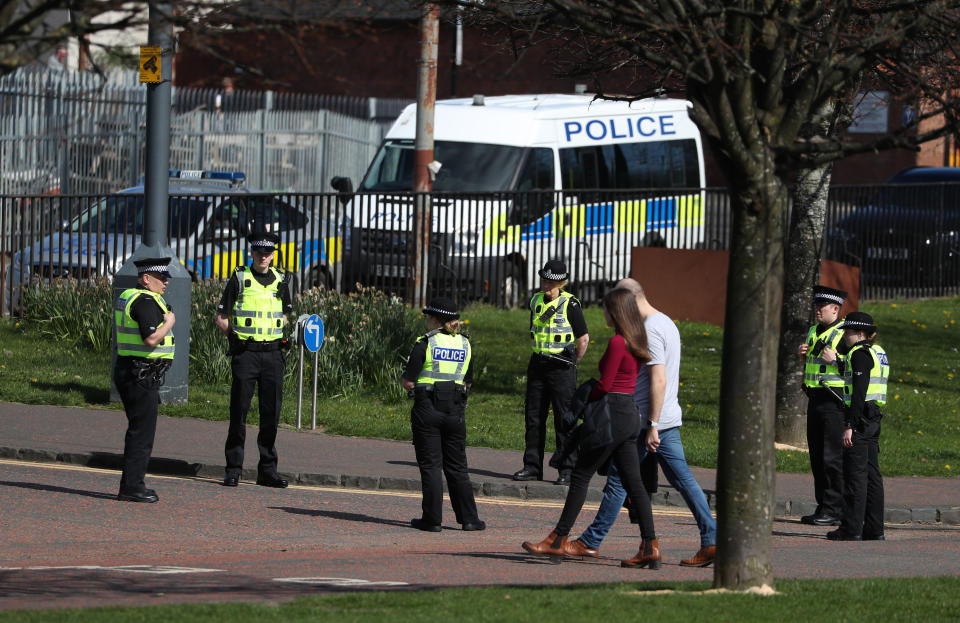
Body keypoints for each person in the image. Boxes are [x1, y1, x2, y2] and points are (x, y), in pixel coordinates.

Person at [565, 278, 717, 567]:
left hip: (649, 420)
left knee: (620, 481)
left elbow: (658, 379)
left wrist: (652, 424)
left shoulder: (650, 329)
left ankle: (590, 541)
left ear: (632, 301)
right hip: (664, 417)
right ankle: (710, 538)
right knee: (682, 480)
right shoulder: (666, 322)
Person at [522, 288, 660, 568]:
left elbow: (605, 385)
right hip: (630, 415)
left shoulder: (618, 343)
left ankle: (557, 540)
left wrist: (585, 397)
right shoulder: (637, 340)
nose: (603, 314)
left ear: (616, 313)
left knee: (581, 475)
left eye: (606, 309)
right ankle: (650, 545)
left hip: (612, 414)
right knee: (635, 482)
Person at [401, 297, 485, 532]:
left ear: (436, 320)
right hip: (455, 410)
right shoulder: (465, 344)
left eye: (429, 317)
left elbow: (408, 382)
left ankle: (432, 519)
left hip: (427, 408)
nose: (427, 320)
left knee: (431, 466)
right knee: (458, 467)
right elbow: (468, 382)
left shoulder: (425, 343)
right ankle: (469, 519)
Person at [216, 232, 293, 488]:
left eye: (268, 252)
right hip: (246, 354)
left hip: (272, 355)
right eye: (259, 251)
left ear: (273, 254)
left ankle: (267, 470)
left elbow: (284, 316)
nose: (263, 256)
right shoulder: (239, 278)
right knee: (239, 411)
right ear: (252, 253)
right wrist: (235, 341)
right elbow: (222, 318)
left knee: (271, 414)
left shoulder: (282, 279)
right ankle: (233, 468)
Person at [513, 259, 589, 485]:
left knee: (564, 419)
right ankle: (532, 466)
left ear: (562, 282)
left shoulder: (570, 304)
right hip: (538, 363)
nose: (546, 285)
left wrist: (573, 361)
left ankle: (567, 469)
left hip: (561, 366)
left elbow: (583, 339)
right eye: (544, 280)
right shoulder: (535, 300)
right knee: (534, 417)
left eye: (551, 282)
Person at [113, 257, 176, 503]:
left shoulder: (130, 296)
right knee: (141, 433)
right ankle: (132, 487)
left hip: (132, 370)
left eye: (167, 277)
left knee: (138, 430)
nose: (166, 282)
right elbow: (151, 339)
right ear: (146, 279)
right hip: (141, 374)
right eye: (161, 278)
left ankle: (132, 484)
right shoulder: (144, 301)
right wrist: (169, 322)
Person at [822, 311, 889, 541]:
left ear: (860, 333)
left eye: (848, 332)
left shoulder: (859, 355)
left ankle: (851, 529)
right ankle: (874, 528)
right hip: (873, 417)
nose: (845, 337)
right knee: (872, 476)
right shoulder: (876, 352)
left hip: (860, 418)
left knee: (855, 476)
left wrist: (850, 424)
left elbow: (859, 392)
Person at [798, 285, 848, 526]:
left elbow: (857, 368)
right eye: (816, 306)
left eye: (822, 306)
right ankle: (824, 506)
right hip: (815, 399)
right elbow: (813, 366)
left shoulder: (845, 333)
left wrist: (837, 360)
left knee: (832, 457)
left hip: (834, 401)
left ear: (835, 309)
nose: (817, 310)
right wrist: (803, 358)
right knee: (817, 457)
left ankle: (834, 508)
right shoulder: (813, 331)